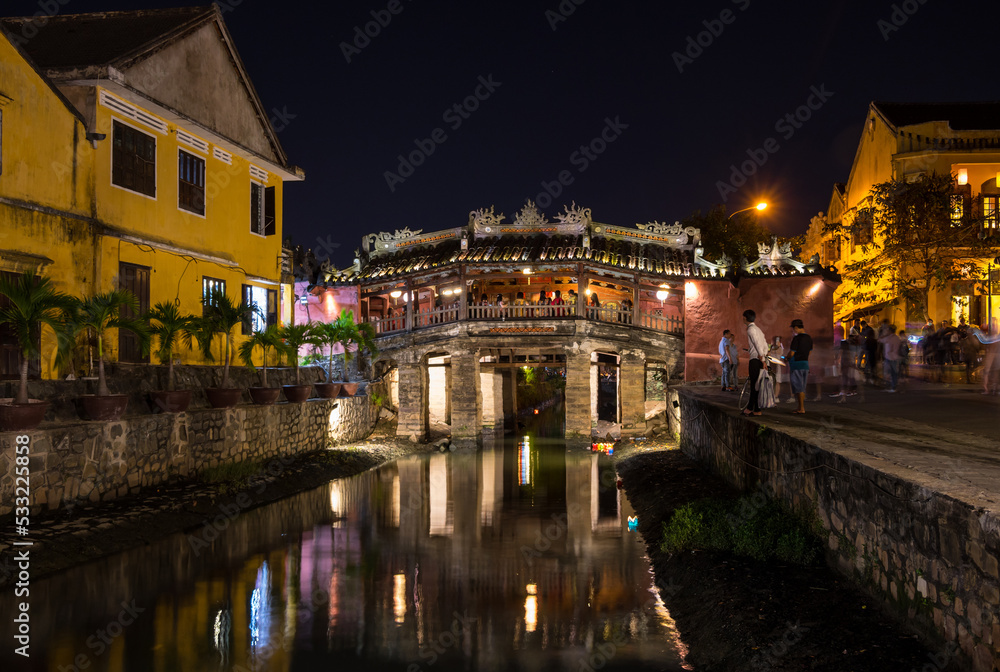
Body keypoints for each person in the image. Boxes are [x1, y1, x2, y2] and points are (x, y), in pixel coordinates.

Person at [742, 309, 769, 416]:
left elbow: (757, 344)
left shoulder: (750, 330)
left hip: (755, 360)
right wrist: (764, 355)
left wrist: (762, 359)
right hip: (761, 358)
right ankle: (756, 409)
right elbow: (765, 344)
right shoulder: (758, 329)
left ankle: (750, 408)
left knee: (754, 384)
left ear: (745, 318)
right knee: (757, 385)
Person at [787, 319, 813, 414]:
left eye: (793, 329)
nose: (793, 331)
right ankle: (800, 407)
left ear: (796, 328)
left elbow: (792, 353)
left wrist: (787, 358)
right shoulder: (809, 338)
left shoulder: (797, 338)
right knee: (802, 386)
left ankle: (801, 408)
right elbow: (809, 352)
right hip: (805, 364)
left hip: (796, 364)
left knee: (799, 387)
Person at [878, 325, 901, 392]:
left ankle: (891, 387)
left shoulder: (889, 338)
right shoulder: (897, 338)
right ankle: (893, 386)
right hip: (895, 357)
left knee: (888, 372)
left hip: (889, 357)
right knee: (894, 372)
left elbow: (879, 340)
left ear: (890, 331)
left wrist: (883, 335)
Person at [768, 336, 789, 402]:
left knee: (777, 381)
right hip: (771, 365)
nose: (777, 342)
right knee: (770, 381)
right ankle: (770, 396)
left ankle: (776, 396)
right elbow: (767, 354)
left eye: (778, 340)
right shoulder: (769, 346)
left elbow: (782, 355)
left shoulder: (781, 348)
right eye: (775, 340)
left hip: (777, 366)